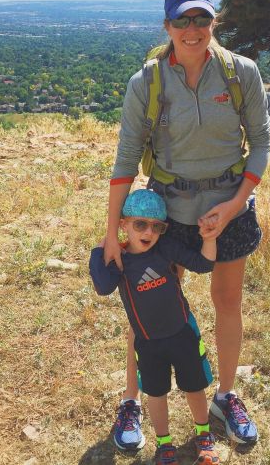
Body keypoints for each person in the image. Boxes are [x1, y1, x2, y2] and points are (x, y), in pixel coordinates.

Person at [104, 0, 270, 448]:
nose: (192, 29)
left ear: (214, 22)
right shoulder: (148, 82)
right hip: (166, 214)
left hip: (229, 206)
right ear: (168, 25)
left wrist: (235, 204)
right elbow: (124, 161)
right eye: (183, 20)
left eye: (202, 19)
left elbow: (261, 144)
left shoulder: (242, 74)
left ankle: (226, 396)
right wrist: (112, 233)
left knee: (227, 301)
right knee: (149, 308)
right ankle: (132, 402)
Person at [90, 189, 220, 465]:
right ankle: (164, 445)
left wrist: (209, 239)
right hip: (148, 343)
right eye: (140, 224)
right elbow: (102, 287)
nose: (148, 232)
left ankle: (204, 436)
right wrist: (104, 244)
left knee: (194, 387)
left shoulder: (165, 248)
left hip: (183, 332)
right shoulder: (119, 259)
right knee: (155, 392)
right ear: (124, 224)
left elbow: (204, 264)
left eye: (156, 226)